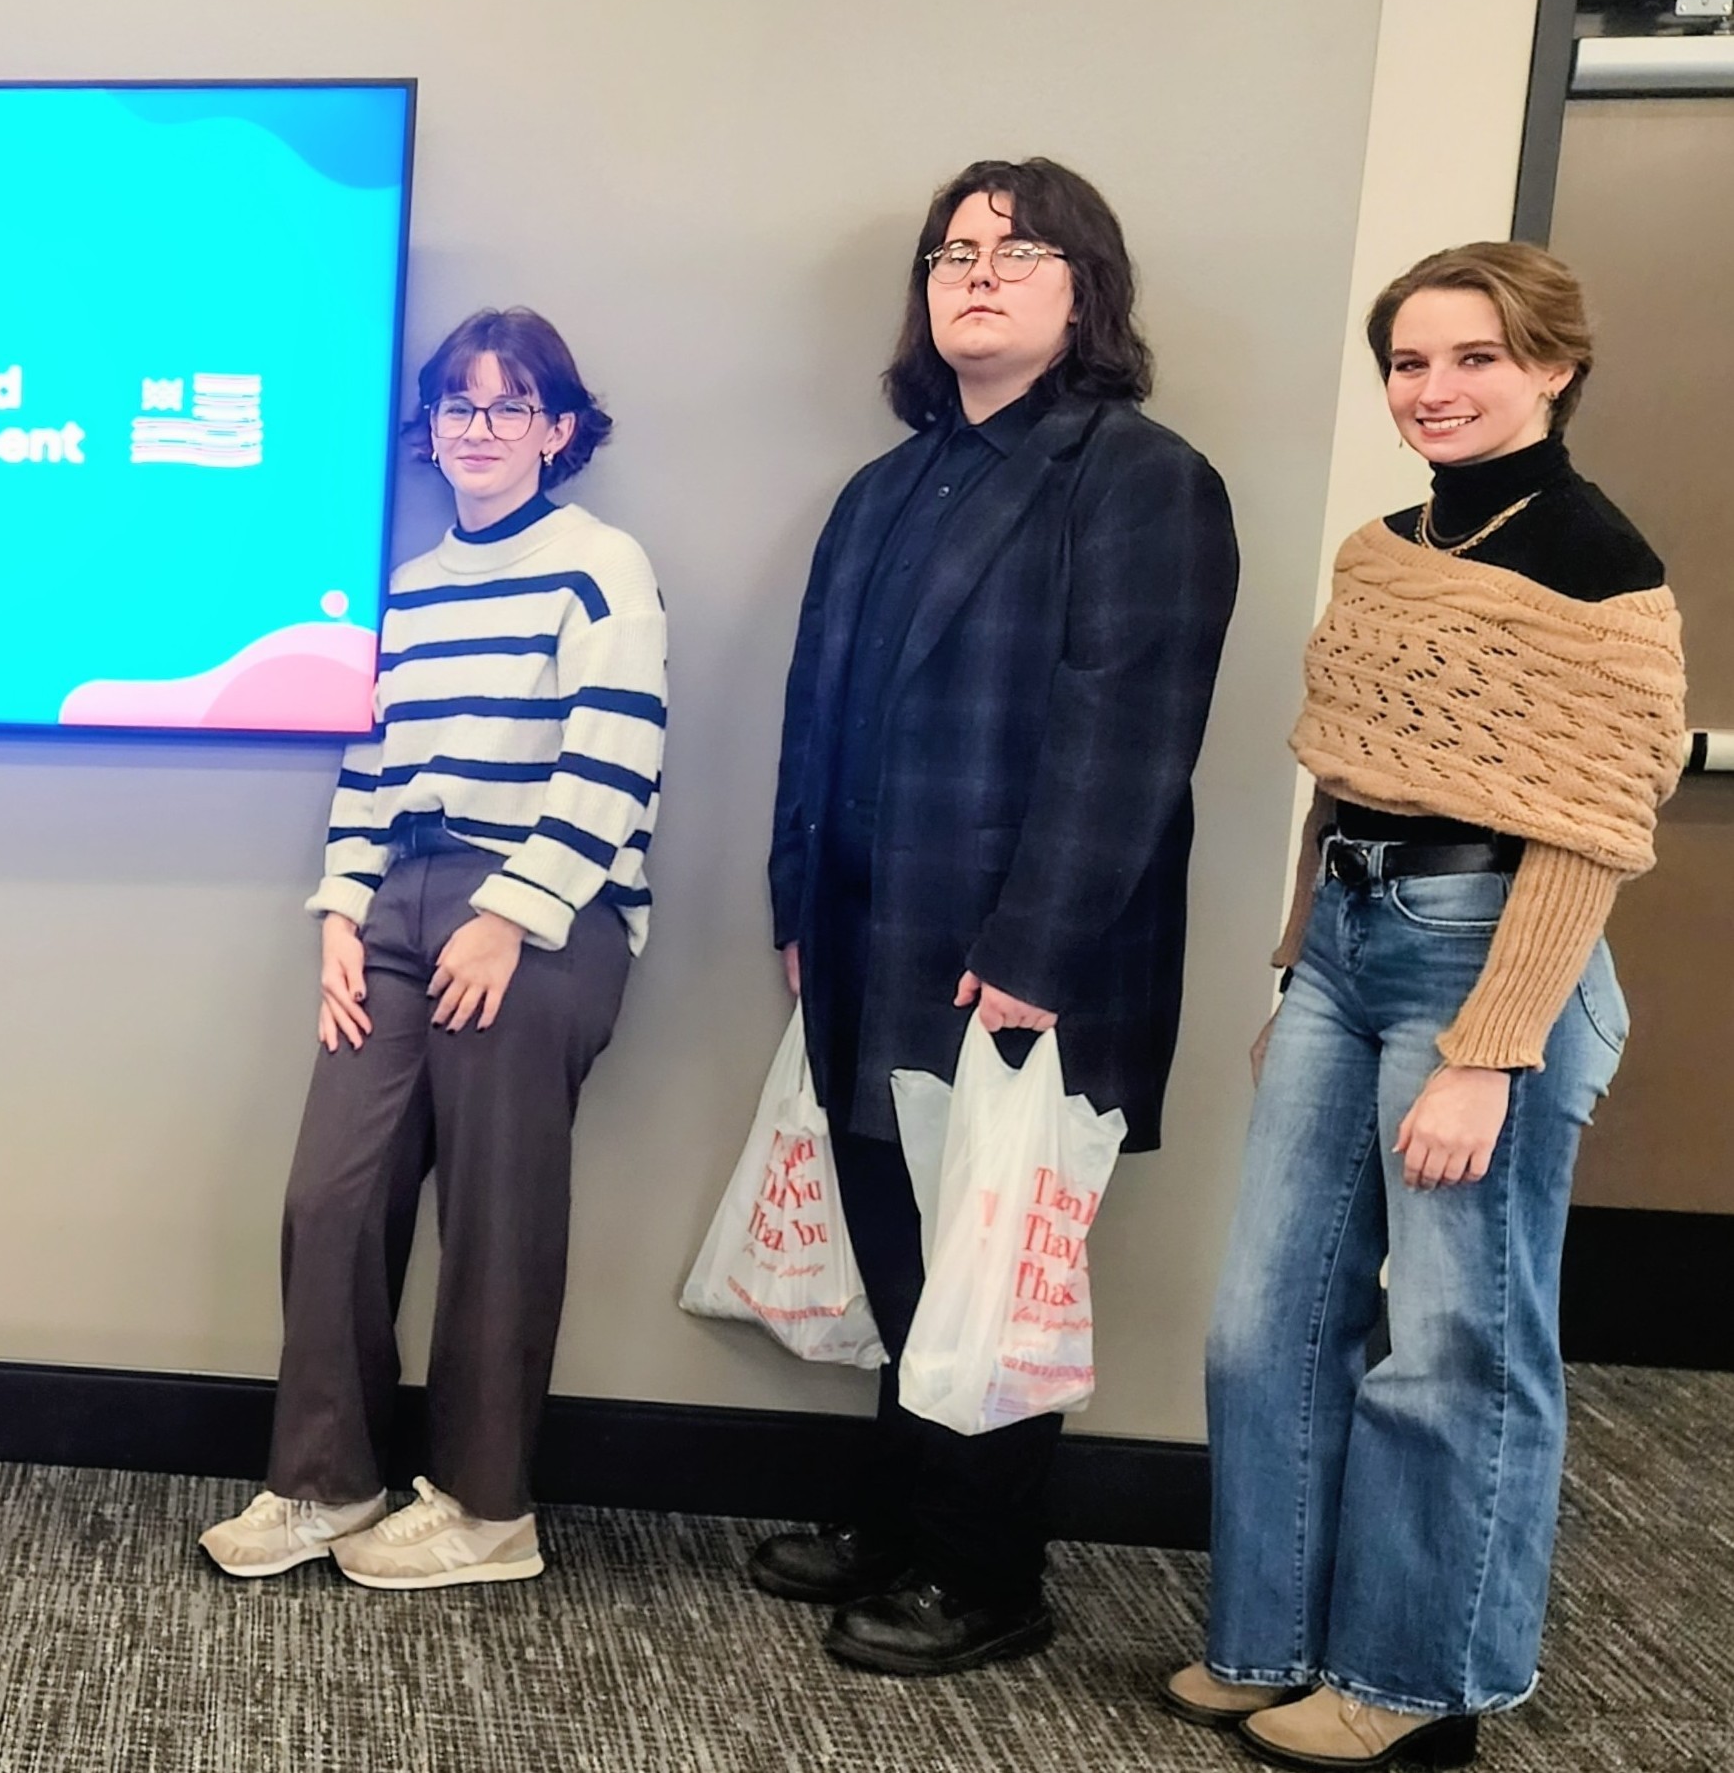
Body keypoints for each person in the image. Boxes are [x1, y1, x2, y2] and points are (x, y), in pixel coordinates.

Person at [1177, 243, 1681, 1769]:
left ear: (1552, 366)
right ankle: (1273, 1636)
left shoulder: (1602, 567)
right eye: (1410, 361)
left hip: (1491, 955)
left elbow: (1589, 827)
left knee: (1454, 1341)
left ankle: (1421, 1678)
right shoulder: (1381, 548)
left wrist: (1489, 1048)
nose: (1436, 389)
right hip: (1346, 941)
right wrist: (1295, 963)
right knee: (1266, 1319)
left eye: (1473, 357)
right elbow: (1346, 772)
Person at [755, 159, 1237, 1673]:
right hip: (861, 932)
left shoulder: (1138, 474)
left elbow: (1130, 739)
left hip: (1019, 957)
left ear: (1082, 286)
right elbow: (810, 718)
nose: (977, 272)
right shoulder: (883, 486)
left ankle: (988, 1572)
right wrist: (792, 900)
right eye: (952, 251)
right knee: (901, 1245)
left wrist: (1037, 950)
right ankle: (904, 1522)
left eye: (1017, 250)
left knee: (996, 1252)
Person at [197, 307, 665, 1590]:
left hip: (543, 911)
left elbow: (615, 756)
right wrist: (340, 910)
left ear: (557, 430)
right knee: (330, 1195)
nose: (477, 428)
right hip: (402, 897)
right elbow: (369, 766)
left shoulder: (600, 566)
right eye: (457, 406)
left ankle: (484, 1507)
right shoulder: (404, 587)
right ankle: (327, 1482)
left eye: (509, 406)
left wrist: (512, 913)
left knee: (497, 1211)